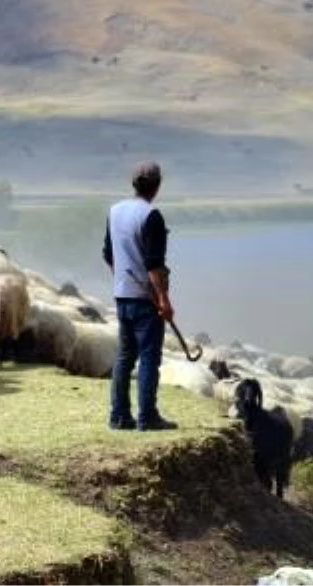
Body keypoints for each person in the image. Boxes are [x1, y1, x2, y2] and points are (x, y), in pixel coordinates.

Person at [102, 161, 178, 432]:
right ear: (157, 186)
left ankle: (119, 416)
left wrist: (122, 278)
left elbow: (109, 255)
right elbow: (154, 265)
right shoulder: (152, 215)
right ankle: (148, 417)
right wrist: (164, 300)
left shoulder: (115, 211)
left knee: (125, 356)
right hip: (146, 300)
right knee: (148, 357)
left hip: (122, 295)